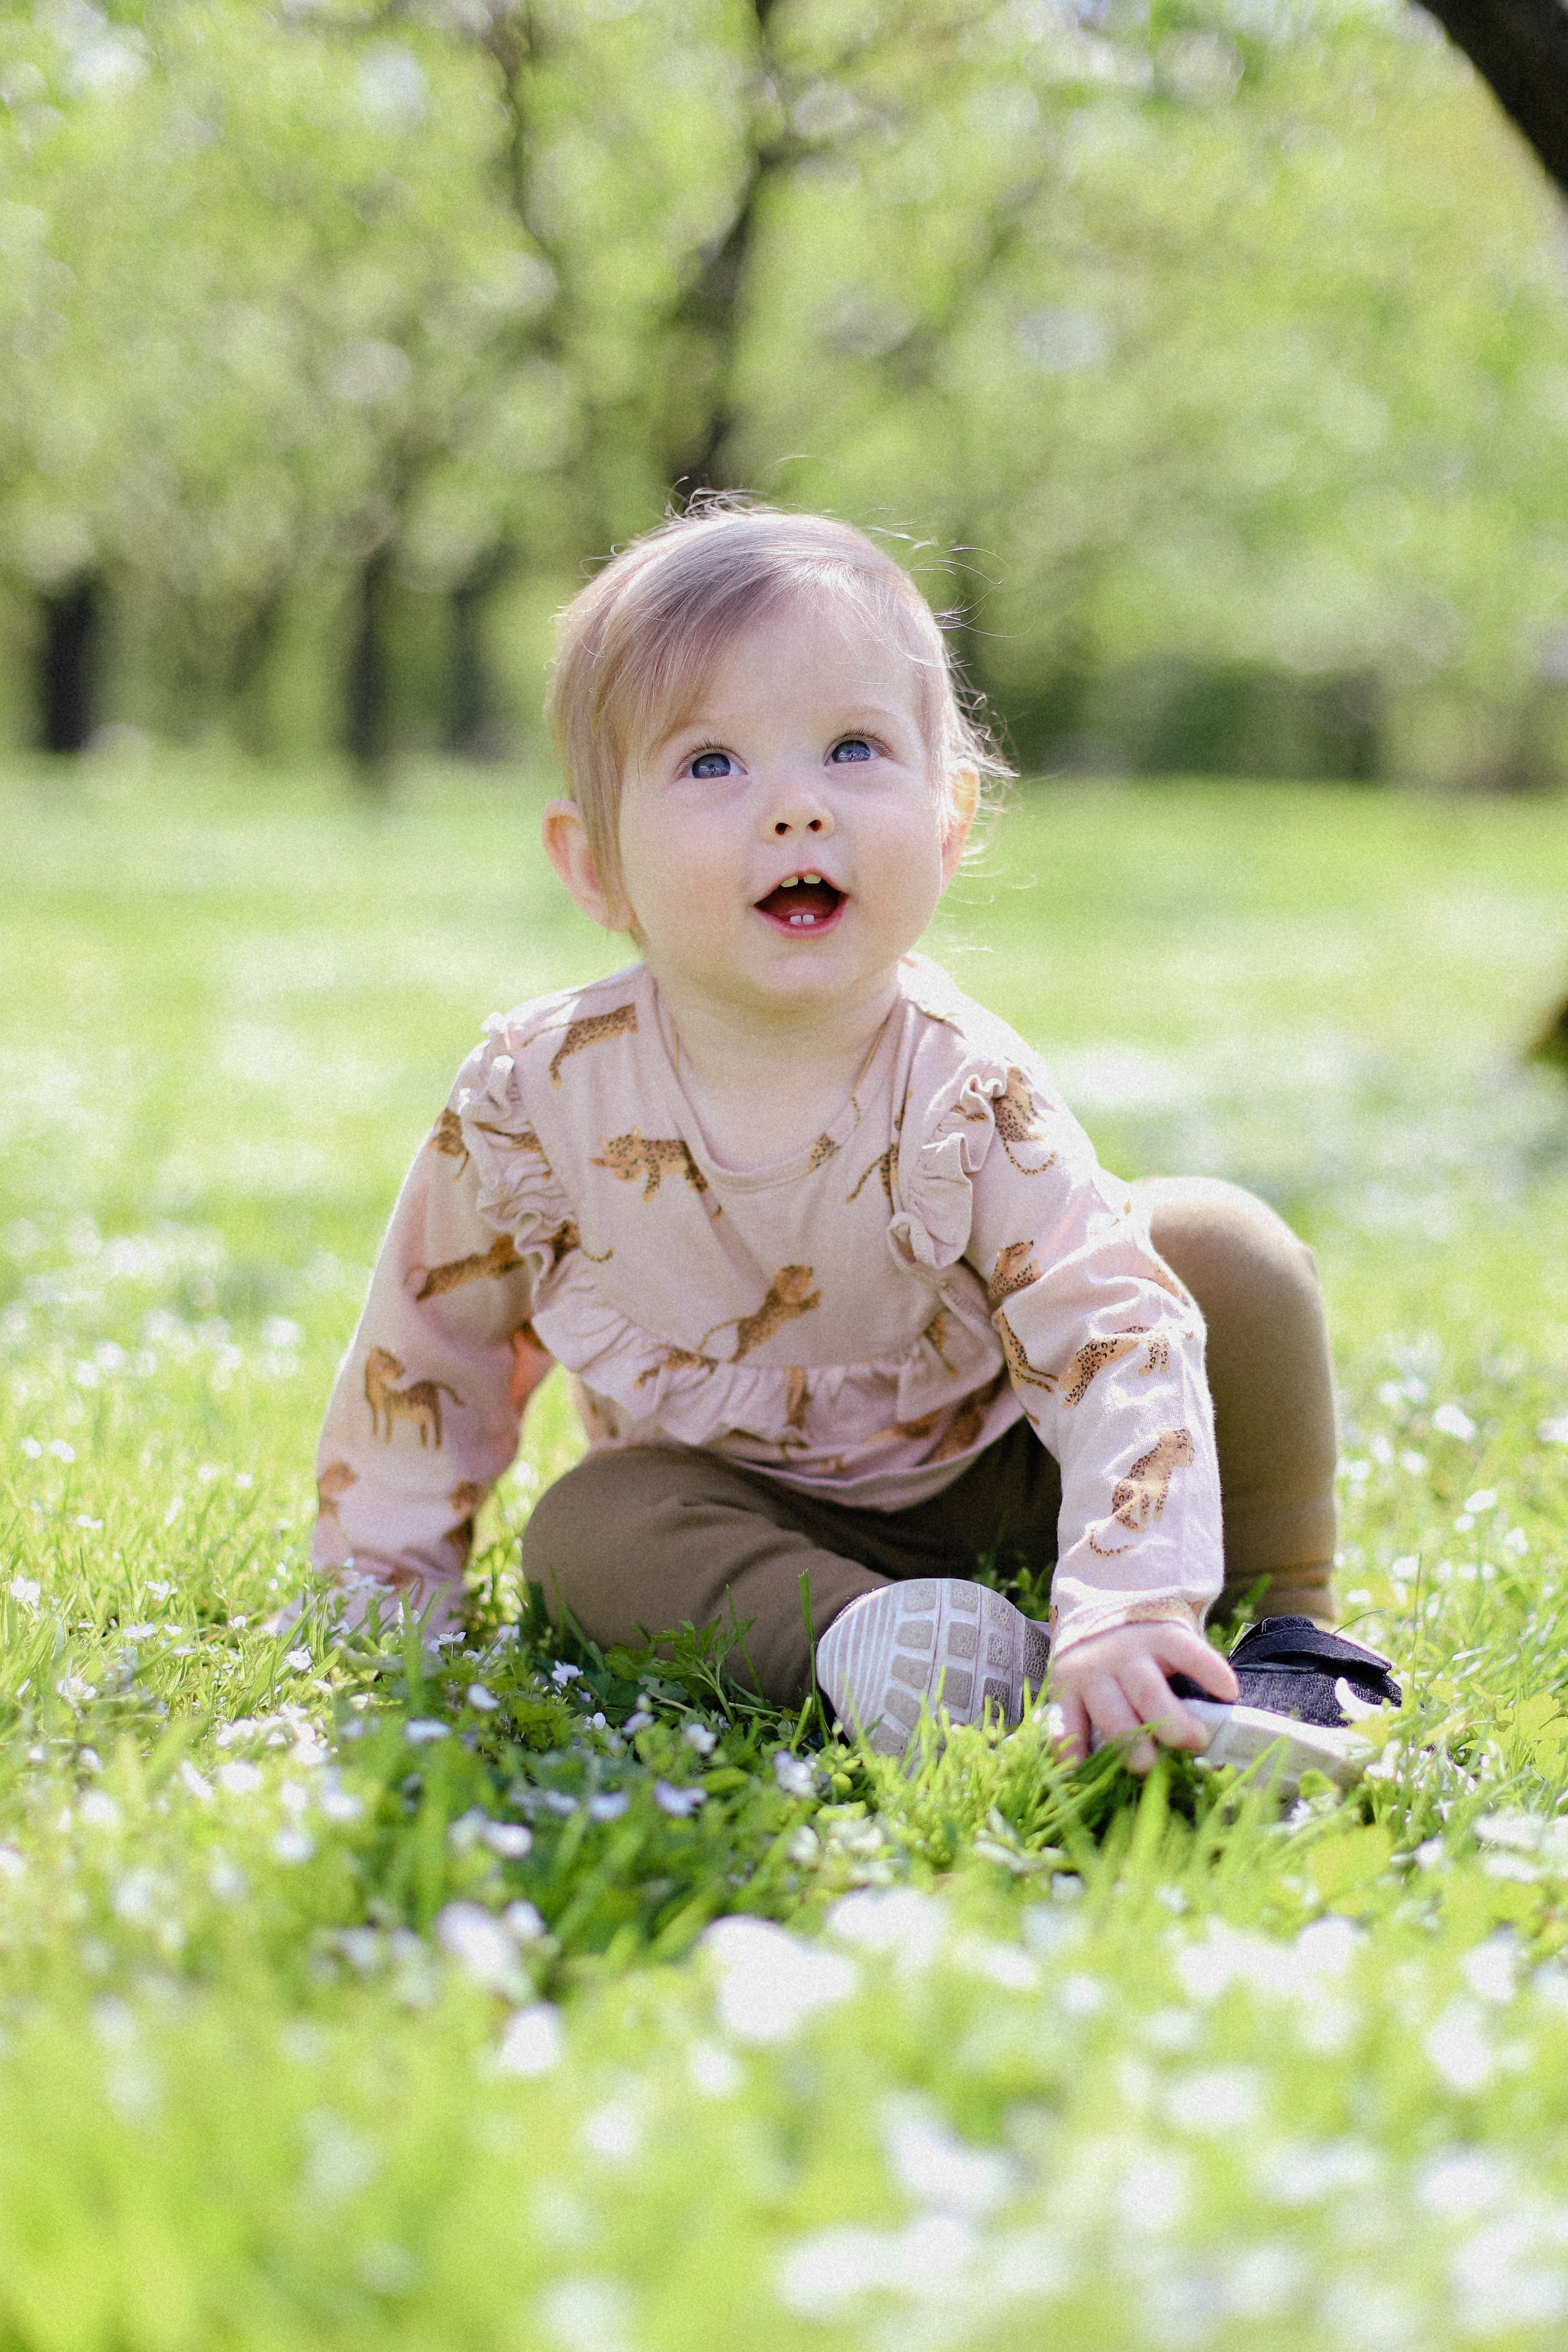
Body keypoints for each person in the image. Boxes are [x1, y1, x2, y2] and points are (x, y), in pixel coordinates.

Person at [308, 501, 1375, 1781]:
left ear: (946, 819)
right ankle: (878, 1640)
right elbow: (429, 1344)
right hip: (729, 1500)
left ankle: (1262, 1640)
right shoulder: (532, 1099)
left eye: (853, 748)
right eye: (710, 764)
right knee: (589, 1530)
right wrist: (382, 1588)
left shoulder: (963, 1090)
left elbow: (1107, 1336)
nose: (794, 809)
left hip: (1006, 1461)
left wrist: (1128, 1596)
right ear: (593, 867)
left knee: (1218, 1253)